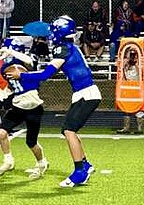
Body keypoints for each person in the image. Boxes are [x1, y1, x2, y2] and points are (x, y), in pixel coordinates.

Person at [12, 15, 100, 188]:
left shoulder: (63, 49)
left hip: (86, 93)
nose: (51, 34)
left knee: (68, 130)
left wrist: (21, 75)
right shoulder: (68, 47)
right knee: (69, 130)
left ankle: (79, 171)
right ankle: (85, 165)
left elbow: (46, 75)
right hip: (84, 92)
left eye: (53, 31)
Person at [0, 37, 49, 179]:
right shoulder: (5, 67)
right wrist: (5, 92)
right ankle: (8, 160)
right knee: (1, 132)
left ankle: (42, 163)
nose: (2, 54)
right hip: (18, 105)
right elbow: (14, 85)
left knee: (31, 142)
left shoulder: (25, 62)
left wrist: (11, 51)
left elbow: (29, 61)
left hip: (33, 105)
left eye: (6, 50)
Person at [116, 48, 144, 135]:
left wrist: (135, 60)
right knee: (126, 108)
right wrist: (127, 59)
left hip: (136, 87)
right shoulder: (125, 63)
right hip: (127, 87)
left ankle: (139, 128)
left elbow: (142, 72)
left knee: (138, 107)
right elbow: (120, 69)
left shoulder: (140, 62)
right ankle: (126, 128)